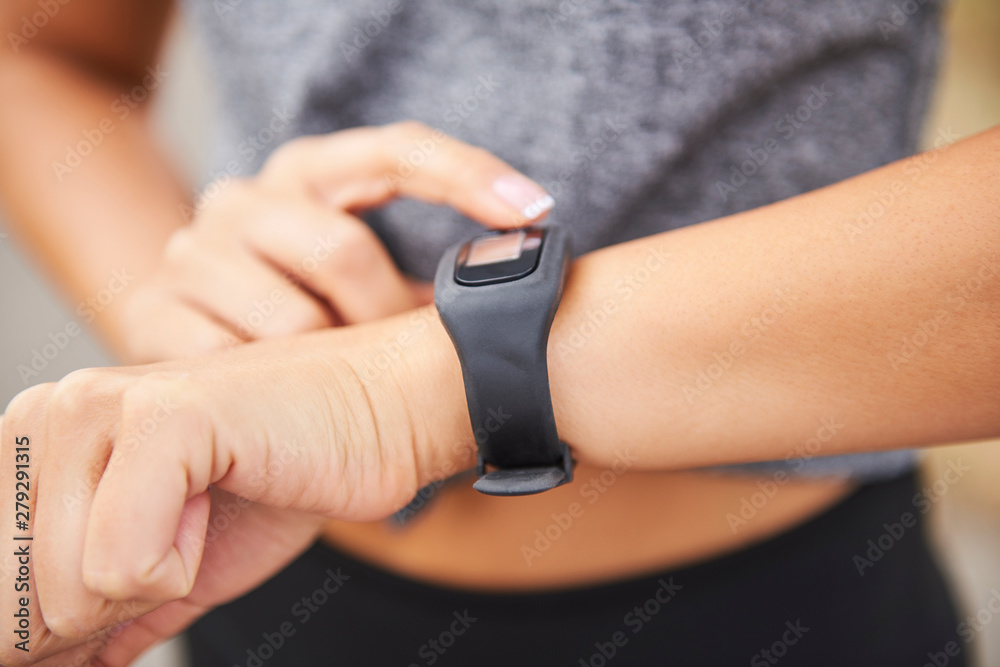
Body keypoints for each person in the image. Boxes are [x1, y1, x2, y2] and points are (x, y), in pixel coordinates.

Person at [0, 0, 997, 665]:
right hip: (259, 590)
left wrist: (410, 392)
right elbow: (37, 52)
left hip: (785, 612)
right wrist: (171, 292)